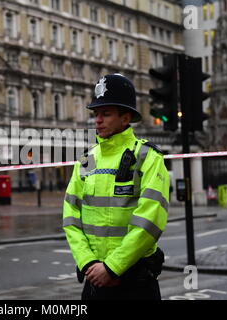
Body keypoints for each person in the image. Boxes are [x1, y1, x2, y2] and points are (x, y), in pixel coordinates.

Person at [62, 73, 169, 300]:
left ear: (125, 117)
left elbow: (149, 221)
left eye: (106, 113)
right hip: (94, 282)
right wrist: (89, 263)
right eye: (96, 114)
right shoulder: (86, 159)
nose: (97, 120)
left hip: (135, 285)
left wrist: (112, 268)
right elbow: (71, 218)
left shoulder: (148, 157)